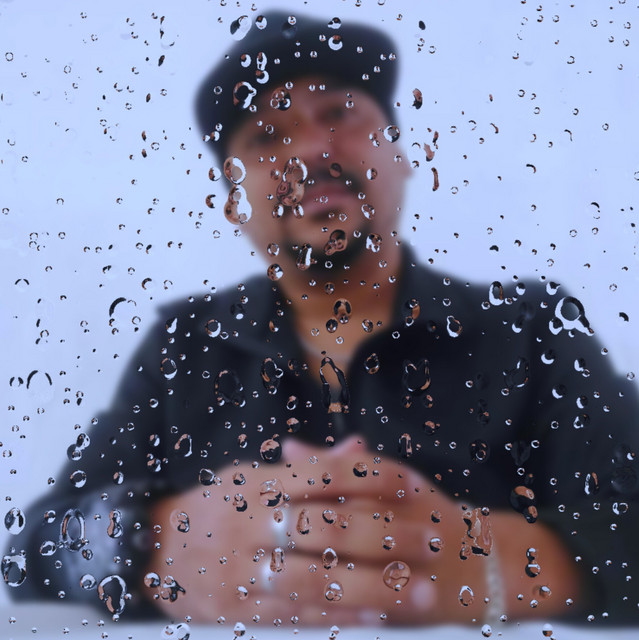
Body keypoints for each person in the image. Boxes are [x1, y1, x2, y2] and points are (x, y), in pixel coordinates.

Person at [6, 12, 639, 628]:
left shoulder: (529, 328)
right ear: (233, 199)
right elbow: (31, 547)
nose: (311, 149)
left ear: (399, 154)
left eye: (339, 112)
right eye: (265, 137)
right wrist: (156, 544)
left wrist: (501, 566)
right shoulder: (185, 344)